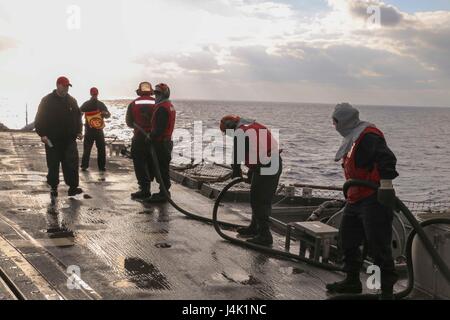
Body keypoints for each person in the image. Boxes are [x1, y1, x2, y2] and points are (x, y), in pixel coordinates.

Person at [326, 103, 399, 299]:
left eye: (336, 122)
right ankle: (352, 281)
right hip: (355, 197)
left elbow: (387, 159)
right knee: (347, 239)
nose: (335, 126)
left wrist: (385, 186)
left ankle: (386, 291)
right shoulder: (354, 137)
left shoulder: (368, 135)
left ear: (344, 121)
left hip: (373, 198)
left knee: (378, 245)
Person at [220, 115, 282, 246]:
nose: (228, 136)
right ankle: (255, 227)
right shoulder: (252, 126)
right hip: (269, 162)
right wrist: (251, 169)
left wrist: (236, 170)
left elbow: (237, 154)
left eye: (226, 133)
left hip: (267, 165)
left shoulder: (240, 131)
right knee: (256, 197)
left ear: (230, 127)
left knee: (260, 200)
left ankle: (265, 235)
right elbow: (257, 149)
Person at [35, 76, 83, 197]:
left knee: (72, 164)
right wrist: (42, 134)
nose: (66, 88)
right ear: (58, 85)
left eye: (68, 86)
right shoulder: (46, 100)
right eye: (64, 85)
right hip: (52, 140)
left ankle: (73, 187)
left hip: (69, 140)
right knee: (53, 164)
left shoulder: (72, 100)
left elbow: (78, 117)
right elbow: (39, 118)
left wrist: (79, 131)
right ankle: (53, 187)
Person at [145, 83, 176, 203]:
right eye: (155, 93)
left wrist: (150, 136)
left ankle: (164, 193)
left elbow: (160, 128)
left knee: (162, 169)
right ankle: (163, 191)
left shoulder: (162, 108)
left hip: (161, 143)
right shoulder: (169, 105)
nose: (156, 95)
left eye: (158, 93)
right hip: (166, 142)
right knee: (163, 168)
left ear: (164, 94)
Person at [126, 82, 155, 200]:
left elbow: (129, 122)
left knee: (139, 163)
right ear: (151, 91)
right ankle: (156, 186)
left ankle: (144, 189)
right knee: (152, 162)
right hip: (154, 138)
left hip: (139, 138)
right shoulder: (157, 103)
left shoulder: (133, 104)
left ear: (139, 91)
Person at [80, 87, 111, 172]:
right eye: (93, 94)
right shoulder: (88, 104)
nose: (94, 95)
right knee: (87, 149)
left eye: (95, 94)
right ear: (91, 94)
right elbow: (79, 113)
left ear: (97, 94)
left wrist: (105, 114)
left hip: (98, 130)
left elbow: (108, 115)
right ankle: (85, 166)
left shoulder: (99, 104)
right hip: (90, 130)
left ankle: (101, 166)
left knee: (101, 149)